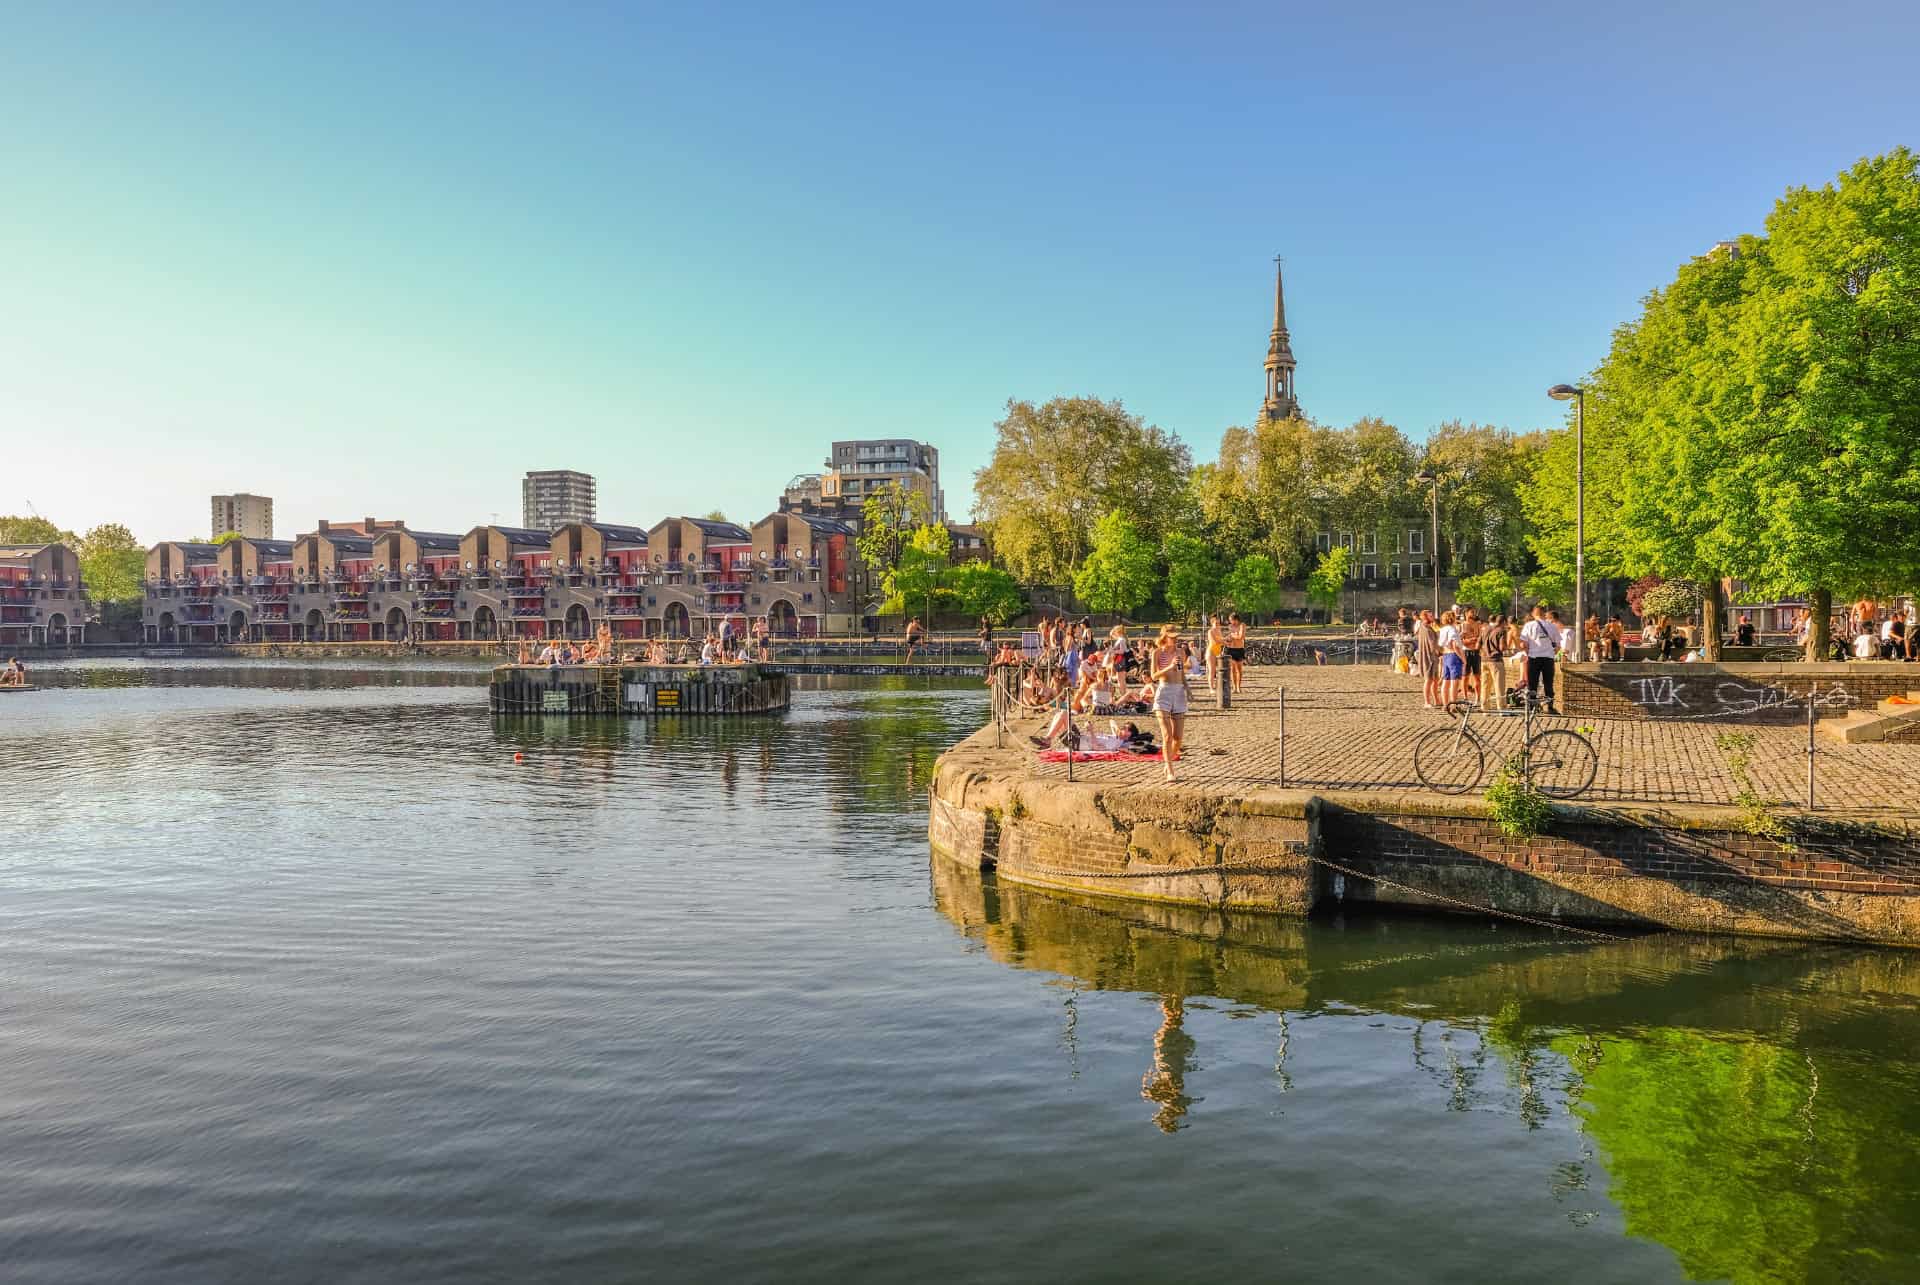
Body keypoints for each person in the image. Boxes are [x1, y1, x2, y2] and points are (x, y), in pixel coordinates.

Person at [1150, 626, 1188, 783]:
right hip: (1164, 692)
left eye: (1176, 636)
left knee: (1178, 738)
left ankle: (1169, 760)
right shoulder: (1157, 653)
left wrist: (1187, 689)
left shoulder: (1181, 652)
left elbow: (1182, 672)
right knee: (1167, 735)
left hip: (1178, 692)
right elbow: (1153, 675)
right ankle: (1170, 769)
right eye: (1172, 636)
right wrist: (1169, 667)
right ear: (1165, 636)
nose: (1175, 639)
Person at [1520, 605, 1562, 712]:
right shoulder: (1552, 626)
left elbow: (1523, 644)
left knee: (1532, 684)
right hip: (1548, 658)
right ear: (1544, 613)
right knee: (1548, 683)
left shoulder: (1528, 626)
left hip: (1534, 657)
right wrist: (1552, 653)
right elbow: (1558, 646)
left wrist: (1528, 652)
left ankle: (1532, 706)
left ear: (1533, 614)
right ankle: (1550, 706)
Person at [1479, 615, 1508, 712]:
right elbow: (1502, 647)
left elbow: (1477, 645)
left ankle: (1485, 708)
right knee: (1499, 685)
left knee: (1485, 685)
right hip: (1495, 660)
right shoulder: (1501, 630)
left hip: (1484, 660)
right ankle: (1501, 708)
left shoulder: (1485, 629)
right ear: (1503, 622)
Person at [1436, 610, 1464, 707]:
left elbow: (1440, 644)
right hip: (1453, 656)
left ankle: (1445, 704)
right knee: (1454, 682)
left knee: (1445, 681)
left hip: (1446, 655)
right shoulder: (1452, 629)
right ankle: (1453, 704)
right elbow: (1454, 645)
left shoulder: (1442, 629)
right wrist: (1463, 658)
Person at [1414, 609, 1440, 708]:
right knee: (1428, 679)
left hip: (1432, 655)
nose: (1432, 617)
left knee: (1436, 679)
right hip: (1429, 656)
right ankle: (1427, 702)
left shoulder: (1427, 627)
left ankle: (1437, 700)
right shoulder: (1426, 628)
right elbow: (1432, 643)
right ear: (1425, 617)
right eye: (1430, 616)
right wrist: (1439, 651)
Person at [1459, 610, 1483, 700]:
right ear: (1466, 614)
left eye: (1474, 612)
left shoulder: (1478, 625)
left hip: (1476, 652)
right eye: (1471, 612)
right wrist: (1468, 641)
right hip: (1466, 652)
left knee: (1477, 676)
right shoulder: (1462, 625)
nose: (1473, 614)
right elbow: (1459, 640)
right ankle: (1465, 697)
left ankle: (1478, 697)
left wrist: (1476, 640)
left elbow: (1481, 638)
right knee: (1465, 676)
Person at [1225, 613, 1248, 691]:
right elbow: (1231, 637)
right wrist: (1234, 635)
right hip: (1231, 649)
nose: (1231, 622)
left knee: (1239, 669)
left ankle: (1239, 687)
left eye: (1231, 620)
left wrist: (1233, 635)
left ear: (1236, 619)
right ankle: (1234, 687)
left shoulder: (1242, 625)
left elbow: (1241, 637)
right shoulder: (1230, 626)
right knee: (1232, 669)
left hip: (1239, 649)